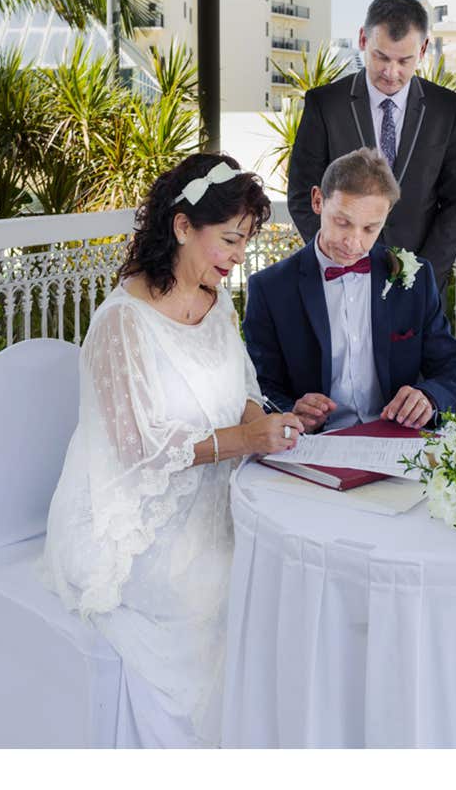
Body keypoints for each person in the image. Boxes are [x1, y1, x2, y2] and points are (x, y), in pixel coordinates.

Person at [44, 153, 314, 748]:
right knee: (218, 591)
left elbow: (242, 393)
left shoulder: (216, 302)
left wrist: (268, 425)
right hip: (136, 516)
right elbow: (136, 450)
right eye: (230, 239)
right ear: (183, 226)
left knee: (284, 569)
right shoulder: (122, 322)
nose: (239, 256)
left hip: (218, 493)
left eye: (245, 242)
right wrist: (245, 440)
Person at [240, 148, 456, 433]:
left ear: (386, 215)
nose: (353, 242)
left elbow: (453, 369)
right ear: (317, 201)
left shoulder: (416, 278)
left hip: (396, 440)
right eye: (342, 222)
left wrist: (429, 398)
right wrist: (290, 411)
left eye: (370, 228)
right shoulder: (270, 288)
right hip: (316, 443)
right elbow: (259, 387)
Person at [286, 0, 456, 275]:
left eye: (404, 61)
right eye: (381, 57)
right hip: (341, 275)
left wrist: (423, 274)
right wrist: (339, 258)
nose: (391, 72)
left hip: (421, 277)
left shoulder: (447, 109)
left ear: (423, 49)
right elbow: (302, 194)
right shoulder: (325, 104)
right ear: (363, 39)